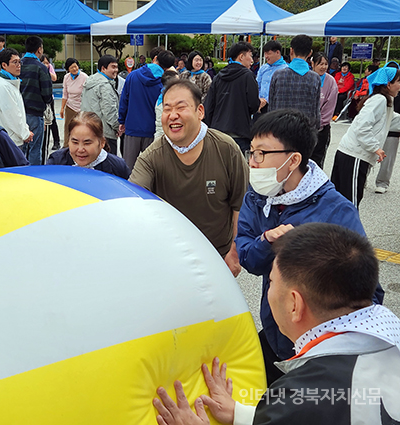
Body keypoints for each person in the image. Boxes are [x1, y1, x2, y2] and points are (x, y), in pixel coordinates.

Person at [153, 223, 400, 425]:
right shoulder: (387, 341)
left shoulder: (300, 393)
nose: (269, 291)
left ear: (294, 304)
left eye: (271, 282)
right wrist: (241, 415)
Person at [235, 109, 384, 385]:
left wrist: (331, 352)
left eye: (261, 153)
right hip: (277, 328)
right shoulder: (258, 196)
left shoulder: (336, 210)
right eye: (251, 152)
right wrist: (266, 242)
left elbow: (368, 294)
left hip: (318, 350)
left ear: (293, 160)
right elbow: (247, 256)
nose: (252, 163)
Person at [130, 79, 249, 277]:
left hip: (218, 256)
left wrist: (234, 253)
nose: (172, 115)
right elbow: (132, 201)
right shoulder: (151, 157)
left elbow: (241, 204)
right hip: (170, 258)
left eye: (181, 107)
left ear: (200, 111)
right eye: (167, 109)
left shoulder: (226, 148)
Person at [331, 67, 400, 207]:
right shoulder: (380, 100)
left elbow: (393, 120)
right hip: (354, 156)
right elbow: (362, 127)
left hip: (350, 154)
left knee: (340, 202)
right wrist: (376, 148)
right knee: (350, 203)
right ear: (388, 84)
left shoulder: (384, 101)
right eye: (399, 81)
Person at [119, 49, 176, 168]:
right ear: (168, 67)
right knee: (151, 168)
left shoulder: (133, 75)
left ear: (155, 59)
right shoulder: (165, 82)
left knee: (128, 168)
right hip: (153, 130)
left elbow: (124, 100)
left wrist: (122, 121)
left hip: (132, 127)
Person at [203, 42, 260, 153]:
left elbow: (209, 106)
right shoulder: (248, 76)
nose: (252, 60)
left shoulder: (218, 77)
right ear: (241, 56)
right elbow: (253, 105)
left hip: (218, 132)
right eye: (250, 56)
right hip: (240, 132)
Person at [47, 111, 130, 179]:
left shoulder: (117, 168)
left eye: (87, 143)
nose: (80, 149)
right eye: (75, 142)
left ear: (102, 142)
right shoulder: (56, 163)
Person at [268, 34, 320, 131]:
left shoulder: (278, 75)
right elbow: (316, 112)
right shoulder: (315, 78)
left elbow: (271, 107)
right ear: (310, 53)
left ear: (291, 50)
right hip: (305, 130)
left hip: (280, 129)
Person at [19, 36, 53, 165]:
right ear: (39, 49)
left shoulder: (18, 65)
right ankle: (33, 173)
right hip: (35, 112)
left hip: (19, 113)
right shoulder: (41, 67)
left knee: (21, 148)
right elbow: (47, 93)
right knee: (35, 149)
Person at [0, 48, 33, 150]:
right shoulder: (3, 86)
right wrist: (25, 133)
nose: (18, 65)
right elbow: (12, 115)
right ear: (4, 65)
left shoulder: (9, 83)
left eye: (19, 62)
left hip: (12, 137)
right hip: (10, 140)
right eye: (14, 62)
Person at [81, 55, 120, 156]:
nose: (116, 70)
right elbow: (109, 112)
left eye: (117, 67)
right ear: (103, 68)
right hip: (105, 134)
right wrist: (118, 127)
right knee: (108, 163)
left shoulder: (89, 82)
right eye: (113, 67)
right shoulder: (105, 86)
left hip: (89, 130)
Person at [375, 61, 400, 194]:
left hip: (394, 128)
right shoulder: (378, 91)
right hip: (378, 127)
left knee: (388, 157)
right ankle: (362, 178)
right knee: (369, 153)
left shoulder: (398, 89)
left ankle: (382, 182)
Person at [310, 52, 338, 168]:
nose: (323, 67)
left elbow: (330, 106)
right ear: (313, 64)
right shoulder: (307, 78)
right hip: (306, 126)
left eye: (325, 64)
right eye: (320, 64)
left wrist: (320, 123)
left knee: (318, 159)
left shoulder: (330, 81)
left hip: (322, 128)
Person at [256, 40, 288, 116]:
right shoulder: (263, 68)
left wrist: (266, 100)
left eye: (269, 53)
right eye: (265, 53)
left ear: (277, 52)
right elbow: (257, 85)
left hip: (275, 107)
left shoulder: (285, 69)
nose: (266, 56)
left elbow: (281, 90)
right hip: (260, 106)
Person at [61, 58, 88, 147]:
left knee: (81, 128)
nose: (75, 69)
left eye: (76, 66)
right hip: (70, 106)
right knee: (68, 127)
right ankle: (66, 146)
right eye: (72, 67)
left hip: (81, 107)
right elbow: (65, 94)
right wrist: (62, 108)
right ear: (68, 69)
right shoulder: (66, 77)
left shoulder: (84, 77)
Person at [41, 54, 61, 150]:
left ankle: (56, 141)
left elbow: (54, 78)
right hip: (39, 99)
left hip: (49, 98)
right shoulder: (38, 69)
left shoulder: (49, 68)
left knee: (52, 120)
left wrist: (47, 69)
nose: (46, 64)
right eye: (43, 62)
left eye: (47, 62)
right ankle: (44, 141)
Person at [154, 70, 180, 139]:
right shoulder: (164, 100)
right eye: (177, 82)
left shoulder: (163, 97)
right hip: (164, 138)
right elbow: (161, 126)